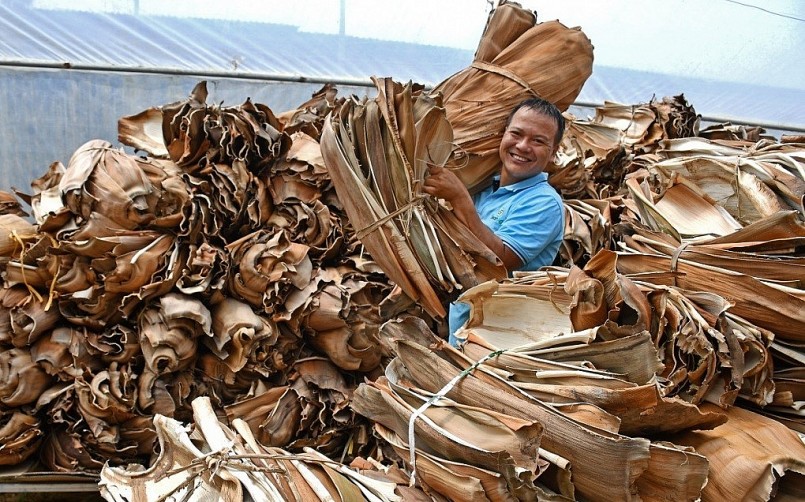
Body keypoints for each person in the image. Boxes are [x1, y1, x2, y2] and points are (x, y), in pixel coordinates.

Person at [423, 97, 565, 346]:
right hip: (463, 330)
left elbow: (500, 260)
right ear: (503, 134)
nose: (522, 146)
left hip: (500, 342)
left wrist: (459, 197)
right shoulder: (483, 188)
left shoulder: (544, 203)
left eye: (538, 141)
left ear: (553, 152)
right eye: (516, 134)